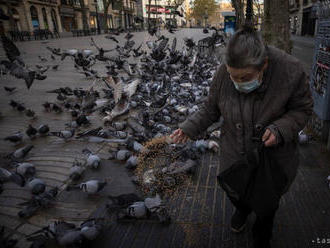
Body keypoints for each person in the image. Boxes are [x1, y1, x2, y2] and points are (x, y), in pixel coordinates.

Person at [170, 26, 313, 247]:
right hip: (234, 151)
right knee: (236, 192)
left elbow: (302, 110)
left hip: (272, 157)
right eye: (232, 76)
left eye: (245, 77)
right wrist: (189, 128)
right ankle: (242, 210)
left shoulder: (291, 71)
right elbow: (211, 109)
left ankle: (262, 231)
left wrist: (279, 129)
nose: (237, 83)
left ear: (263, 65)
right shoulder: (222, 74)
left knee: (267, 202)